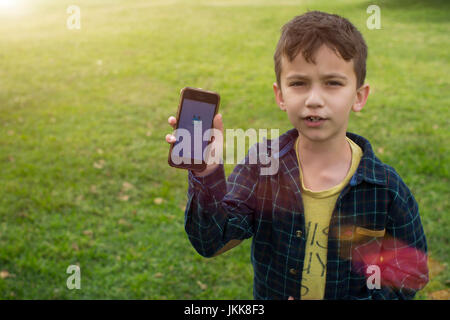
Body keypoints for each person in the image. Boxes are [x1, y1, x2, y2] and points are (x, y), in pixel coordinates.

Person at [165, 11, 428, 300]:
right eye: (299, 83)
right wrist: (206, 173)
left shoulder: (386, 189)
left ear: (359, 96)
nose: (314, 99)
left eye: (333, 83)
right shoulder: (262, 166)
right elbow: (211, 240)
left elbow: (408, 276)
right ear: (280, 95)